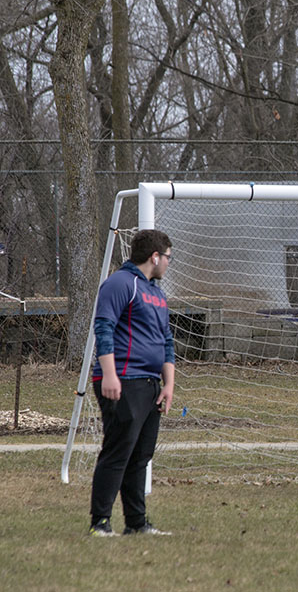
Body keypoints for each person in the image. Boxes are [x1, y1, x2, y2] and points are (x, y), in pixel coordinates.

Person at [88, 229, 176, 537]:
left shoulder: (158, 294)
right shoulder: (120, 284)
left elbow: (166, 341)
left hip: (151, 385)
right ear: (155, 257)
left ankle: (136, 524)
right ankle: (100, 522)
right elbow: (104, 327)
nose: (168, 263)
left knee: (141, 455)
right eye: (167, 257)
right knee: (118, 451)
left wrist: (168, 384)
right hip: (123, 382)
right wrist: (109, 374)